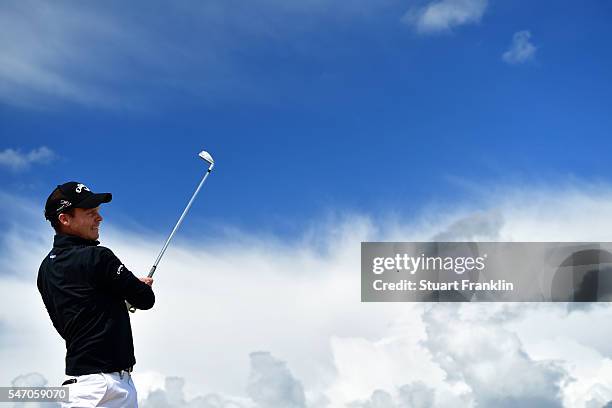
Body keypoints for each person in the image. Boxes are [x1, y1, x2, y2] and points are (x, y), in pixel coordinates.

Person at [37, 182, 155, 408]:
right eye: (91, 213)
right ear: (65, 219)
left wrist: (122, 292)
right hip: (108, 388)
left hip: (80, 387)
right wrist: (134, 288)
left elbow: (86, 304)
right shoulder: (99, 257)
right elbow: (145, 299)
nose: (99, 218)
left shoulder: (45, 270)